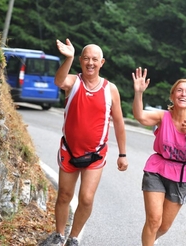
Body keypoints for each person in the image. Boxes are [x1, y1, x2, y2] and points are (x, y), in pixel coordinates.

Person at [41, 39, 128, 246]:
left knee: (86, 198)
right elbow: (59, 82)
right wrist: (68, 58)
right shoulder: (73, 81)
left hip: (95, 154)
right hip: (70, 151)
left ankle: (73, 238)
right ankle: (59, 234)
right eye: (86, 59)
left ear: (102, 62)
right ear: (80, 60)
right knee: (64, 195)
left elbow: (118, 122)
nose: (90, 63)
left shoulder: (110, 89)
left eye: (95, 60)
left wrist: (122, 154)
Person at [132, 67, 186, 246]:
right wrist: (138, 93)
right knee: (154, 220)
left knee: (164, 226)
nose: (183, 94)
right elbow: (140, 116)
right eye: (179, 90)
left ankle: (148, 241)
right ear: (172, 96)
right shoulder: (163, 116)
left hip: (181, 176)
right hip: (157, 169)